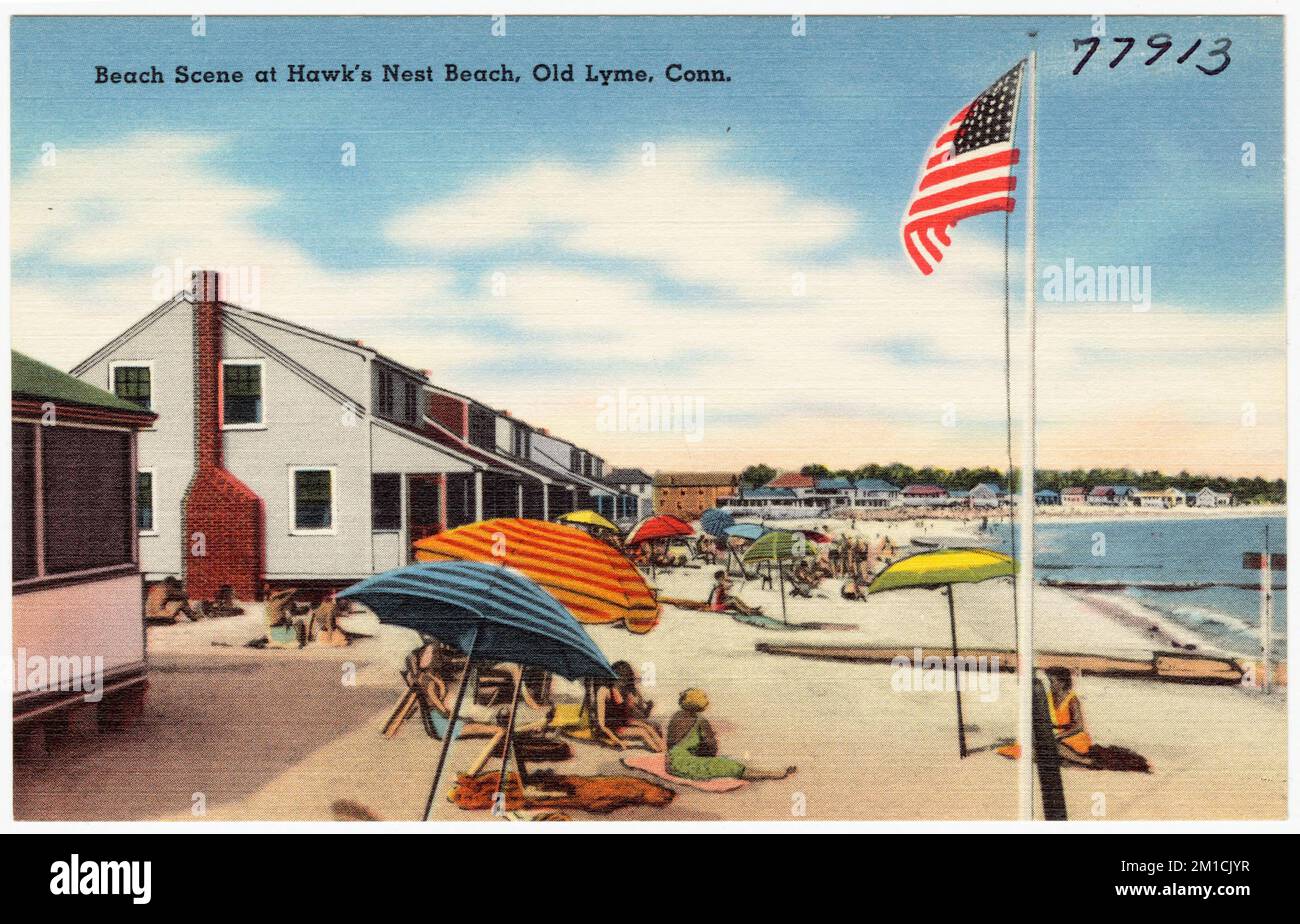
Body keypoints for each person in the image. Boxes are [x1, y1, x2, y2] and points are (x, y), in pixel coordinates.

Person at [666, 689, 795, 781]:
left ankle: (774, 773)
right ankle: (774, 774)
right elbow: (711, 750)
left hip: (671, 762)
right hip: (684, 766)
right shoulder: (700, 721)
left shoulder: (676, 716)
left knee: (724, 762)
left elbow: (671, 744)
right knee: (729, 765)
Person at [590, 661, 664, 751]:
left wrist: (633, 705)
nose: (624, 683)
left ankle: (664, 749)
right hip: (612, 729)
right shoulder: (604, 691)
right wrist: (618, 741)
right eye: (624, 679)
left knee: (649, 728)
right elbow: (602, 725)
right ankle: (659, 751)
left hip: (623, 723)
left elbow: (625, 716)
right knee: (643, 732)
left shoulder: (625, 692)